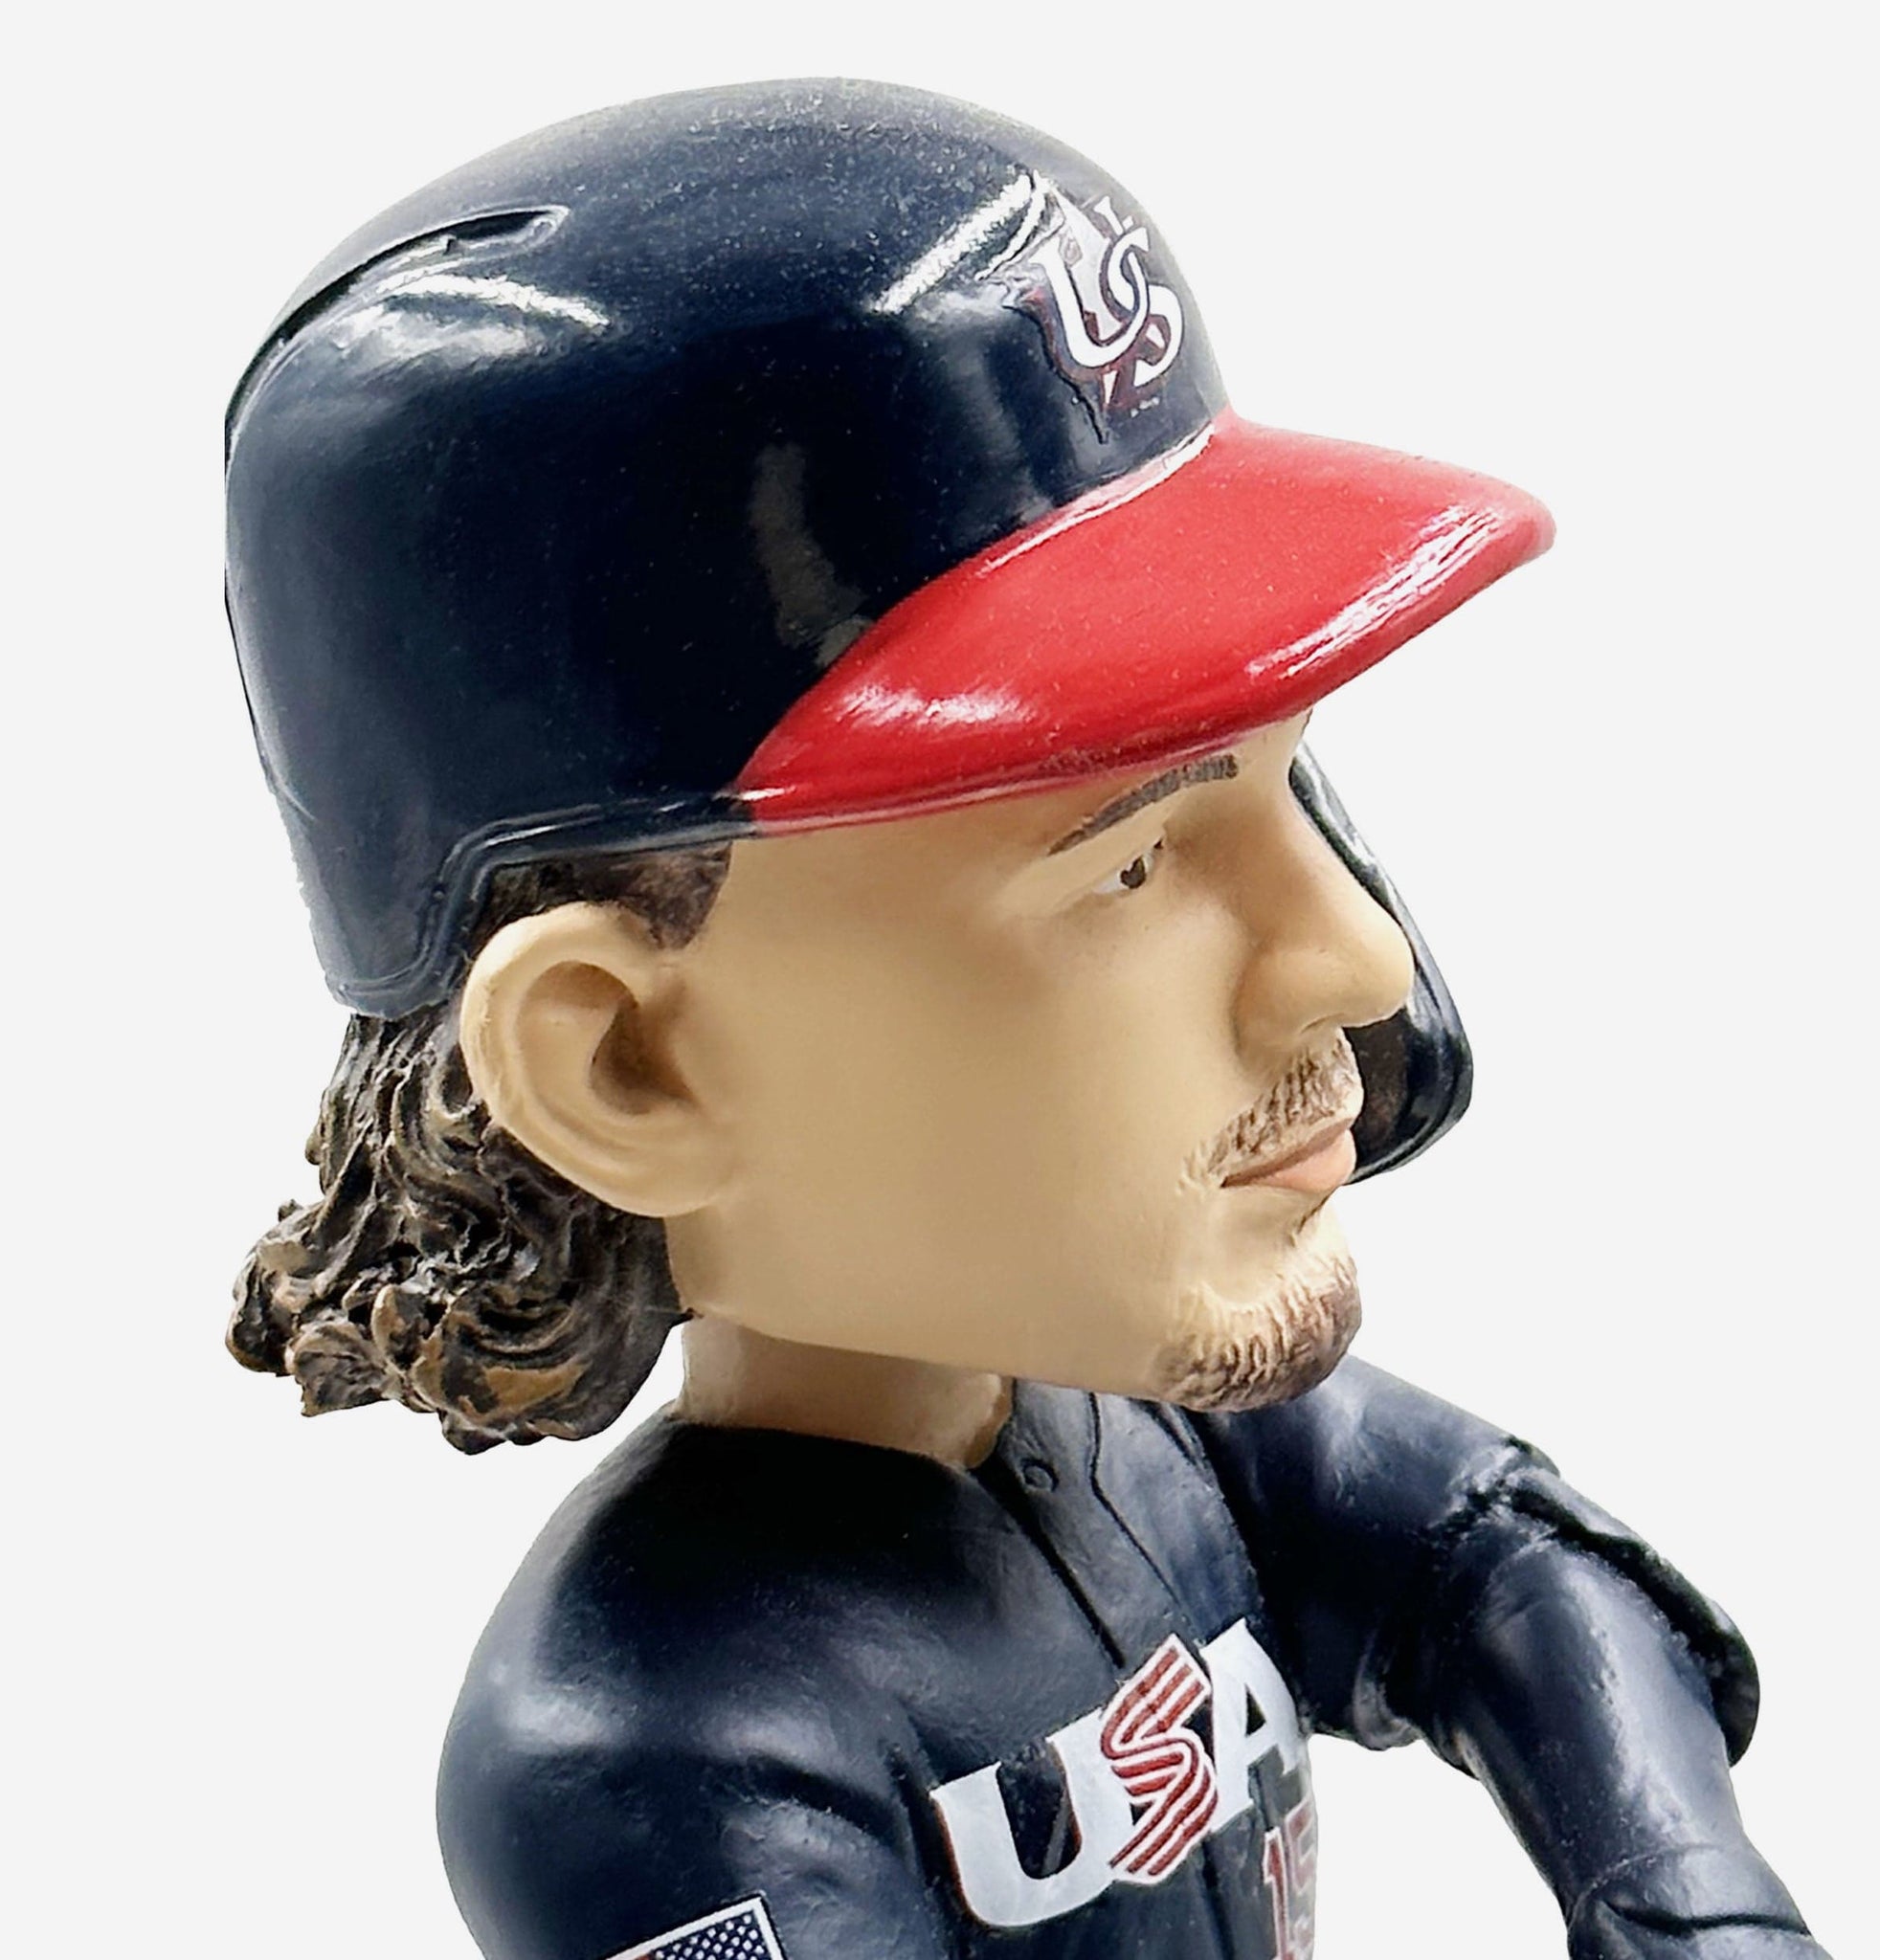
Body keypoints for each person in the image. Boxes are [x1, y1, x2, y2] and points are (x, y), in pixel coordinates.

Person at [223, 80, 1828, 1960]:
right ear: (626, 1064)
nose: (1354, 960)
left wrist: (1690, 1908)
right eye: (1131, 862)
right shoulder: (649, 1752)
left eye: (1284, 782)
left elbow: (1515, 1578)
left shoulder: (1164, 1425)